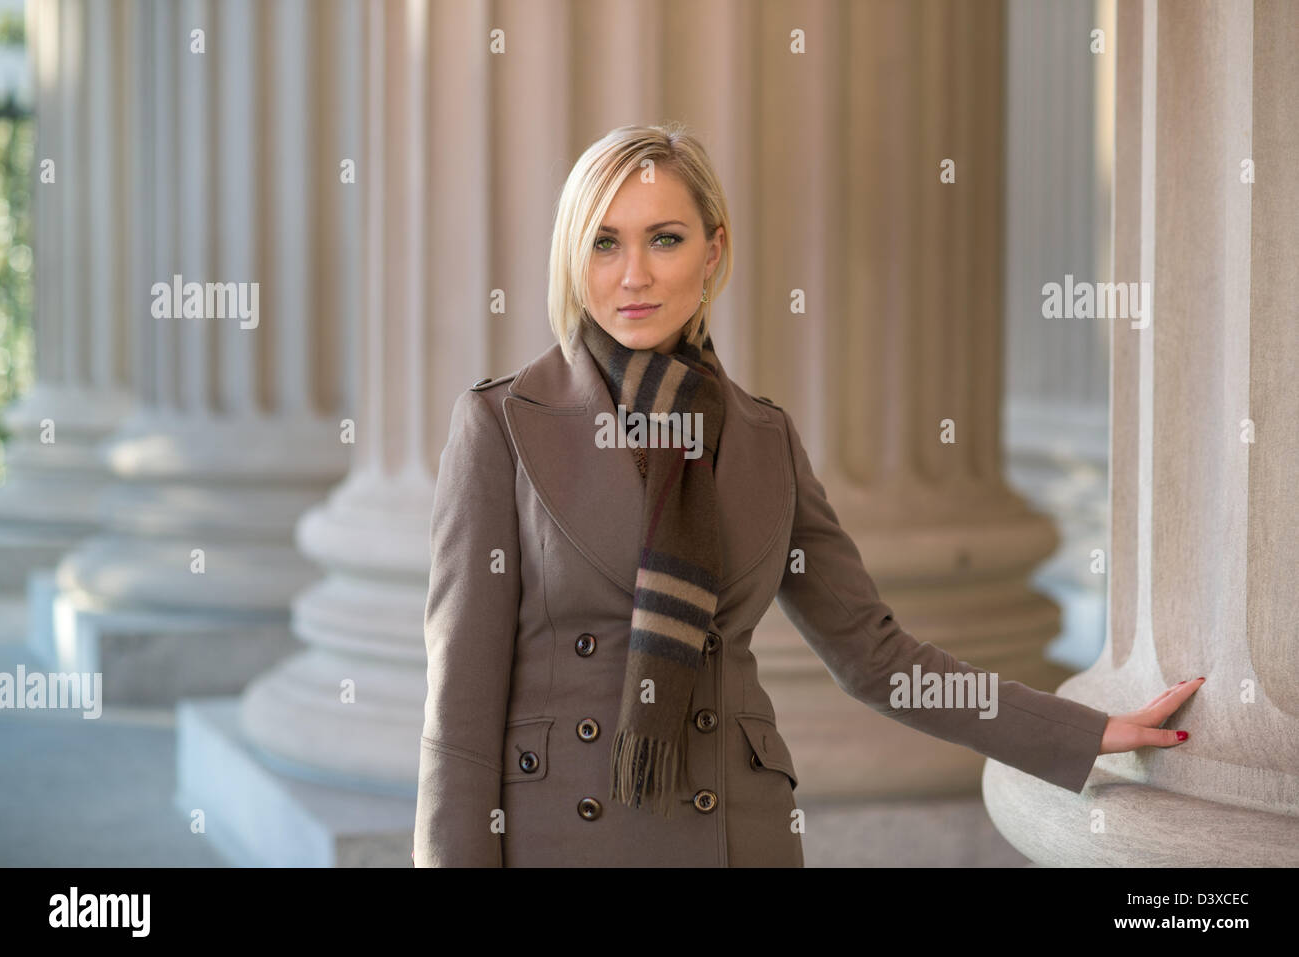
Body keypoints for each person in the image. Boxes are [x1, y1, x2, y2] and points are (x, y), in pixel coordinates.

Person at [412, 122, 1203, 867]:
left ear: (713, 251)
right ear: (573, 259)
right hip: (562, 837)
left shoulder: (763, 439)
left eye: (665, 238)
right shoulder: (503, 425)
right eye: (604, 243)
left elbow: (878, 657)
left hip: (735, 833)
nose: (634, 275)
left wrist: (1081, 729)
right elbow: (459, 707)